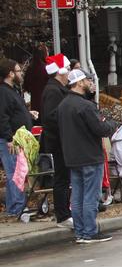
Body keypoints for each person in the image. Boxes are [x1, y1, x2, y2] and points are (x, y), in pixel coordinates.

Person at [57, 69, 117, 243]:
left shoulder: (63, 105)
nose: (91, 83)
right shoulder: (85, 106)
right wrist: (111, 123)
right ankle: (90, 231)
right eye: (87, 80)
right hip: (89, 156)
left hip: (72, 156)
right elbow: (100, 129)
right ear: (79, 83)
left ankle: (81, 232)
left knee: (77, 196)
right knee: (90, 195)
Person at [40, 54, 73, 227]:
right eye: (67, 69)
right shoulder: (53, 91)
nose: (69, 73)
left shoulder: (57, 89)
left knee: (64, 177)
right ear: (60, 72)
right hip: (59, 142)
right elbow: (52, 118)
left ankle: (66, 211)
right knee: (62, 178)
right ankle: (62, 215)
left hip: (62, 141)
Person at [1, 59, 36, 219]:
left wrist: (28, 115)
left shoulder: (12, 90)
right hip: (10, 139)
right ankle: (17, 207)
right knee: (16, 172)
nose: (21, 73)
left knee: (14, 172)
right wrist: (9, 138)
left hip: (16, 137)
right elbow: (2, 116)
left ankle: (13, 206)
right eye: (18, 70)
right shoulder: (3, 92)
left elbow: (14, 112)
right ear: (10, 74)